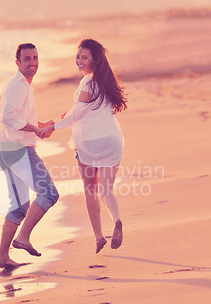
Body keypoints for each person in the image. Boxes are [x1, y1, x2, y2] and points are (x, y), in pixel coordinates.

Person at [41, 39, 127, 254]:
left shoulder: (87, 83)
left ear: (94, 60)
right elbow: (84, 109)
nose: (79, 60)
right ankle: (117, 221)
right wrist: (69, 115)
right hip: (111, 141)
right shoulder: (106, 81)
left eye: (84, 57)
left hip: (90, 143)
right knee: (106, 190)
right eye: (78, 56)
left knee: (91, 190)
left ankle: (99, 237)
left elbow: (78, 113)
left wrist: (54, 126)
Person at [0, 43, 59, 269]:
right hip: (18, 150)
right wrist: (35, 130)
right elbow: (7, 117)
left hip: (6, 150)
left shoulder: (19, 85)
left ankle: (3, 257)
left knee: (20, 206)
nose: (32, 63)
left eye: (35, 58)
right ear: (18, 63)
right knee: (49, 192)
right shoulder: (19, 86)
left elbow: (16, 119)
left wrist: (41, 126)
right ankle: (22, 238)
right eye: (27, 59)